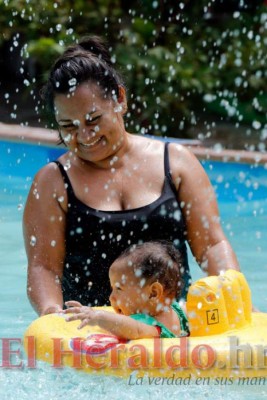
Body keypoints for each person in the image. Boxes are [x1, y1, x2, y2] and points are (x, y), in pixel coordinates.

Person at [23, 35, 240, 317]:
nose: (84, 136)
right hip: (91, 336)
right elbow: (43, 268)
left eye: (93, 120)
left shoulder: (176, 163)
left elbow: (211, 245)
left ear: (120, 100)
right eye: (69, 126)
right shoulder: (52, 182)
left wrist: (234, 293)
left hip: (169, 332)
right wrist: (52, 315)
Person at [63, 241, 189, 339]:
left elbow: (135, 330)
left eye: (118, 288)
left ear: (153, 293)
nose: (111, 297)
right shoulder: (178, 311)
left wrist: (98, 317)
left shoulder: (148, 325)